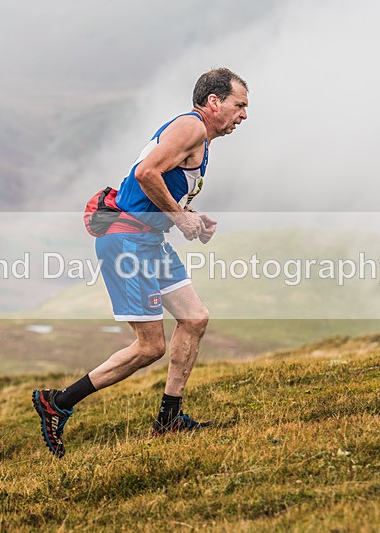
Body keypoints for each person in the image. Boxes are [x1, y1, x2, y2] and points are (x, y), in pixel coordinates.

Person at [33, 68, 248, 458]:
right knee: (150, 347)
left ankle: (169, 419)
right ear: (214, 102)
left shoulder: (196, 136)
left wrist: (191, 218)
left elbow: (157, 185)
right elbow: (146, 173)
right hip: (127, 241)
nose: (243, 116)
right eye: (239, 105)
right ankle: (58, 402)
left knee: (195, 318)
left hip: (148, 239)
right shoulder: (191, 127)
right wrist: (181, 219)